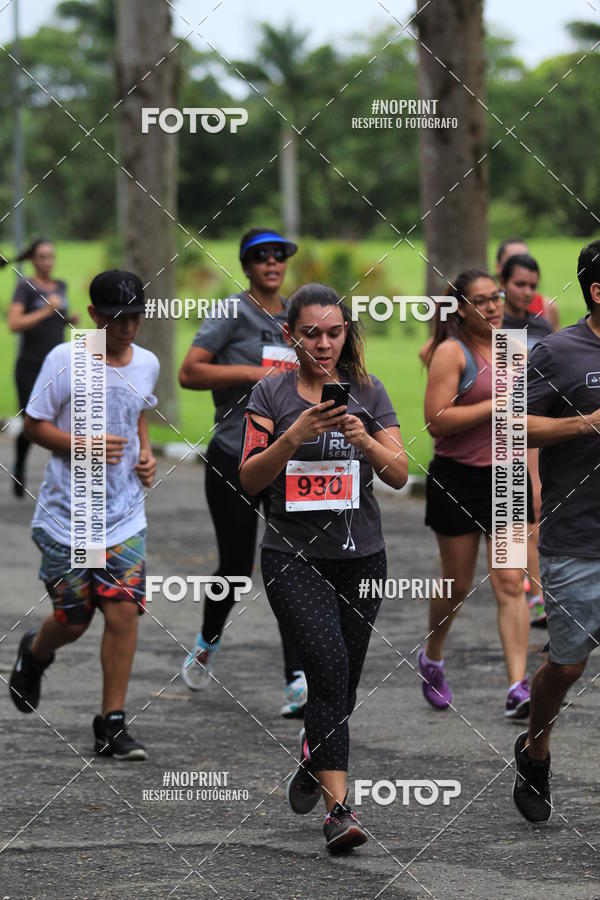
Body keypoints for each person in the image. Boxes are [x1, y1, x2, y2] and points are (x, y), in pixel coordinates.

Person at [239, 283, 407, 852]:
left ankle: (314, 753)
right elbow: (249, 479)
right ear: (291, 336)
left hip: (363, 556)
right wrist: (294, 436)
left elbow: (400, 473)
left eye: (335, 332)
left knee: (342, 683)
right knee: (329, 664)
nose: (325, 343)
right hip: (292, 556)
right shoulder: (270, 394)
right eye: (311, 333)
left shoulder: (369, 391)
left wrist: (365, 440)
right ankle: (340, 812)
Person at [8, 270, 158, 760]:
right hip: (67, 515)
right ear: (94, 316)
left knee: (122, 610)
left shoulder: (147, 364)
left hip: (123, 515)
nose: (128, 328)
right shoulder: (65, 359)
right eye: (117, 320)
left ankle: (111, 723)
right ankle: (35, 652)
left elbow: (138, 411)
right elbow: (32, 426)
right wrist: (85, 444)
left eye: (135, 317)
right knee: (73, 620)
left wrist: (146, 454)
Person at [179, 228, 307, 716]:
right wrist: (255, 375)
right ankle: (208, 638)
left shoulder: (298, 316)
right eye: (262, 256)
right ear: (247, 264)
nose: (273, 262)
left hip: (288, 458)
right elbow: (189, 372)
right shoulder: (232, 313)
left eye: (280, 255)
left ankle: (296, 679)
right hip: (233, 455)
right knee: (235, 568)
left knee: (289, 566)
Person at [513, 240, 600, 823]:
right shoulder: (559, 351)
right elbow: (514, 426)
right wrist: (587, 423)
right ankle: (535, 747)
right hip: (576, 537)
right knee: (567, 666)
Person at [420, 270, 531, 717]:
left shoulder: (515, 349)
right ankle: (432, 655)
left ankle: (519, 686)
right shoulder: (451, 352)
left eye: (497, 297)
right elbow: (436, 421)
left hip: (506, 476)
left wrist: (533, 482)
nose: (493, 306)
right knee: (458, 584)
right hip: (457, 479)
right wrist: (493, 404)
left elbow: (522, 423)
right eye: (481, 300)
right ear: (461, 309)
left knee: (510, 582)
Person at [500, 253, 553, 627]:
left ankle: (535, 593)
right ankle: (519, 586)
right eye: (519, 284)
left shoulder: (542, 326)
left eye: (532, 286)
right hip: (498, 427)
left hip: (532, 423)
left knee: (534, 505)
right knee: (511, 509)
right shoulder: (491, 324)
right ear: (503, 282)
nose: (526, 292)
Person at [5, 239, 78, 498]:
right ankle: (20, 465)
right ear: (34, 260)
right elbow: (14, 324)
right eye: (43, 257)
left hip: (58, 366)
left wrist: (68, 320)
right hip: (30, 366)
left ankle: (63, 480)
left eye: (51, 256)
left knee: (63, 420)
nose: (48, 261)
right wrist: (46, 311)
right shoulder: (25, 287)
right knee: (31, 421)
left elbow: (57, 319)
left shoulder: (61, 286)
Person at [495, 238, 559, 329]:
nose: (527, 292)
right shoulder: (489, 313)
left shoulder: (546, 310)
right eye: (511, 260)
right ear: (498, 267)